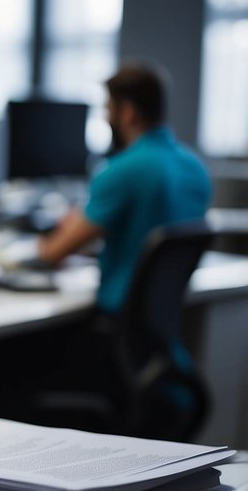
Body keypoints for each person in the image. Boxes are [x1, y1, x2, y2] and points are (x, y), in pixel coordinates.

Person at [37, 62, 212, 314]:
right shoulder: (196, 168)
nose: (107, 119)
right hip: (167, 321)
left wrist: (41, 244)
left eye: (109, 109)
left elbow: (54, 252)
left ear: (128, 112)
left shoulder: (122, 170)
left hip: (118, 323)